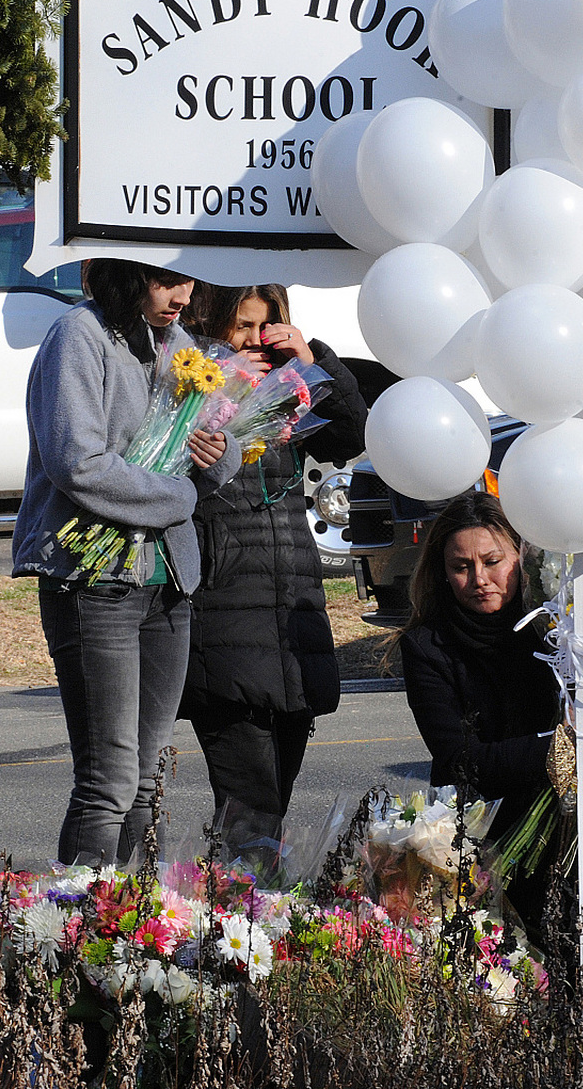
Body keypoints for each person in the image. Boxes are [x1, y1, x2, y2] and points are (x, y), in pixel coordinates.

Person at [12, 259, 242, 866]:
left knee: (146, 779)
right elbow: (77, 462)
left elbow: (221, 453)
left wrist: (220, 451)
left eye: (189, 281)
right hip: (93, 580)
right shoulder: (79, 335)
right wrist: (178, 496)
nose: (181, 295)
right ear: (126, 276)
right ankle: (79, 916)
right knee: (107, 782)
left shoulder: (180, 345)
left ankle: (138, 916)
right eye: (166, 280)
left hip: (167, 583)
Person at [389, 492, 583, 936]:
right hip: (492, 818)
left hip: (580, 801)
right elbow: (458, 758)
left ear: (520, 558)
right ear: (442, 572)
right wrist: (560, 744)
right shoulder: (427, 646)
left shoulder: (559, 624)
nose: (479, 579)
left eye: (493, 562)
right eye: (461, 567)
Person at [182, 283, 368, 858]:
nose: (254, 342)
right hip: (226, 614)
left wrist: (312, 362)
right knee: (249, 805)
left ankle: (245, 899)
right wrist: (222, 388)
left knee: (273, 804)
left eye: (265, 327)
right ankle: (242, 906)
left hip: (292, 616)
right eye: (241, 326)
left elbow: (351, 435)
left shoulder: (287, 393)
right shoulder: (192, 393)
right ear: (212, 322)